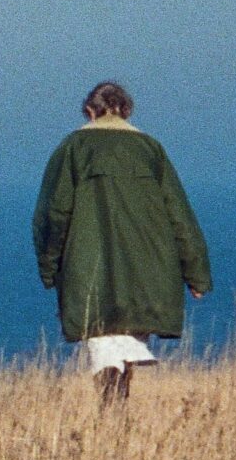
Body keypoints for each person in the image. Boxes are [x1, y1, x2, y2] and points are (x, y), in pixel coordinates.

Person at [32, 80, 212, 403]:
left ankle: (112, 418)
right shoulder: (151, 150)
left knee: (102, 346)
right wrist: (196, 275)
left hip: (89, 271)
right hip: (147, 271)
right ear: (127, 111)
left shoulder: (72, 149)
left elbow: (52, 214)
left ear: (90, 111)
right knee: (124, 345)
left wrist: (49, 269)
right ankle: (117, 415)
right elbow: (179, 216)